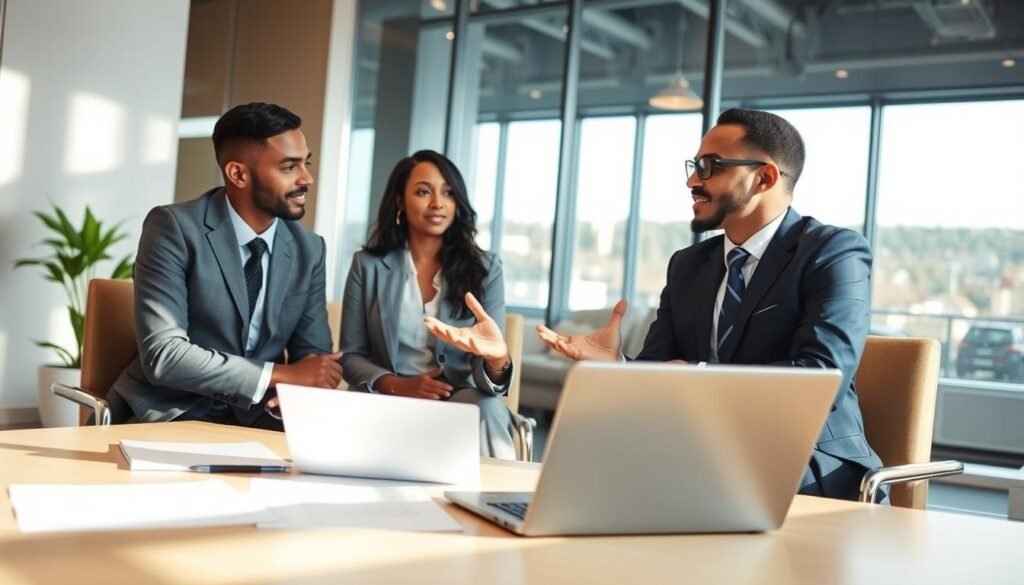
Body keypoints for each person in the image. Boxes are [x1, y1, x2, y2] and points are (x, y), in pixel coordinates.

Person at [538, 108, 883, 500]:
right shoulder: (687, 266)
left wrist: (699, 373)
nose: (691, 180)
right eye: (694, 165)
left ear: (764, 177)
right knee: (591, 465)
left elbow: (822, 377)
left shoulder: (833, 252)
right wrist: (618, 367)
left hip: (808, 458)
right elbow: (661, 372)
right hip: (704, 451)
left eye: (708, 167)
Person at [108, 102, 342, 430]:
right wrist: (278, 374)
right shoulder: (173, 227)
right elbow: (164, 355)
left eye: (306, 163)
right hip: (170, 412)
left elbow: (316, 363)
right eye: (289, 167)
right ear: (238, 173)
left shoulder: (309, 249)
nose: (307, 178)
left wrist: (299, 385)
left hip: (263, 418)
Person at [340, 149, 518, 459]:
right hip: (386, 398)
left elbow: (491, 369)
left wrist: (497, 359)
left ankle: (499, 502)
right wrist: (397, 385)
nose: (437, 203)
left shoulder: (487, 268)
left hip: (455, 398)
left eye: (448, 193)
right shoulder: (367, 265)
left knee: (489, 409)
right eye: (423, 191)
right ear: (399, 201)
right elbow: (350, 355)